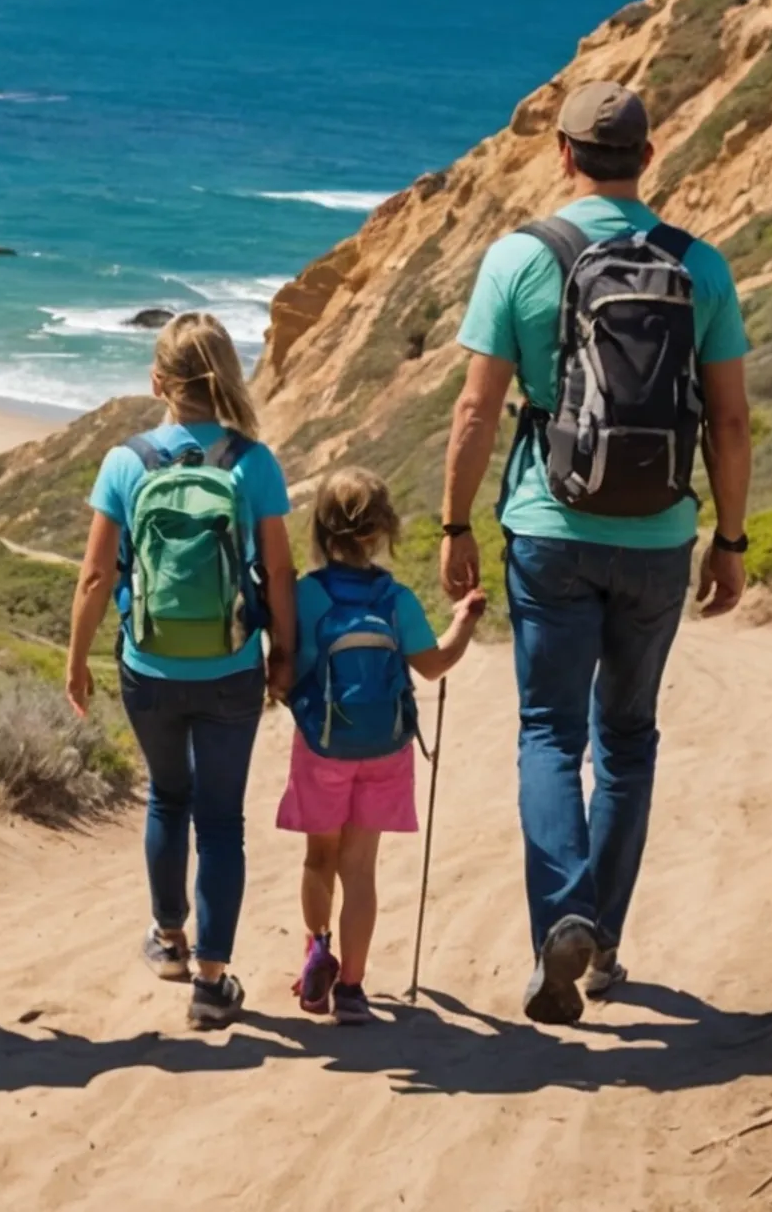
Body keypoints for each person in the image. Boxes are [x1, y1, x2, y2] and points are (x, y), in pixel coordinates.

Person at [438, 79, 750, 1025]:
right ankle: (604, 943)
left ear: (563, 155)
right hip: (660, 532)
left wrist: (454, 526)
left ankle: (563, 914)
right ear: (648, 158)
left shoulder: (521, 257)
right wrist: (731, 539)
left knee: (548, 731)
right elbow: (730, 419)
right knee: (627, 740)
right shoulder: (703, 266)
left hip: (550, 525)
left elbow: (475, 410)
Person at [64, 311, 295, 1030]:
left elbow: (96, 575)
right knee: (222, 819)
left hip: (148, 664)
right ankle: (212, 978)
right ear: (226, 373)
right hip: (229, 666)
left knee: (168, 797)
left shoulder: (125, 462)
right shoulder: (252, 462)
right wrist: (284, 651)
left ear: (157, 381)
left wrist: (76, 658)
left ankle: (169, 940)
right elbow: (280, 571)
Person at [276, 468, 478, 1026]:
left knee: (320, 859)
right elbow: (434, 665)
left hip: (322, 745)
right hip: (385, 748)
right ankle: (354, 990)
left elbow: (284, 662)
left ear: (320, 527)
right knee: (359, 868)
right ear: (383, 529)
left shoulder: (307, 595)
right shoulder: (396, 598)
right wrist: (464, 620)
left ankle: (318, 948)